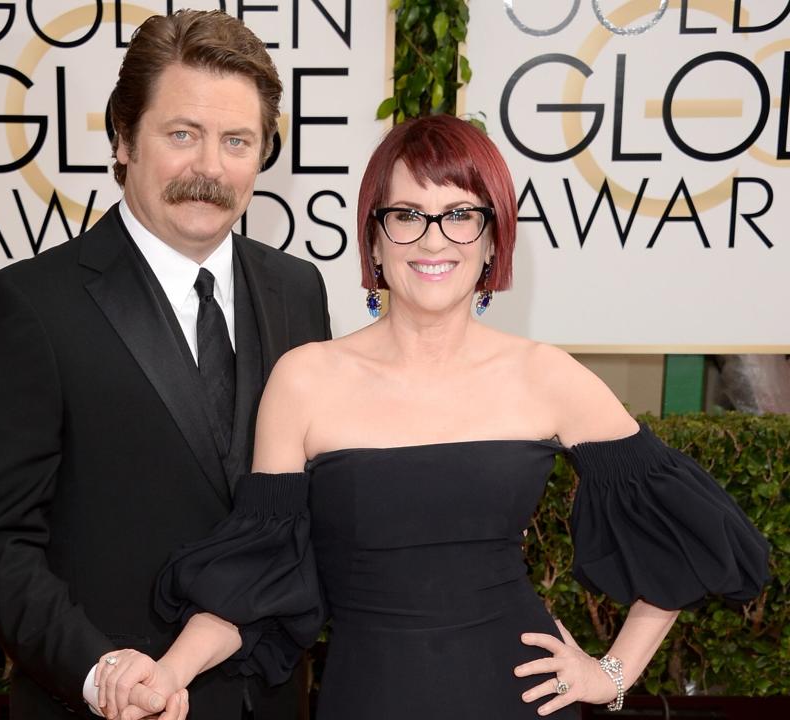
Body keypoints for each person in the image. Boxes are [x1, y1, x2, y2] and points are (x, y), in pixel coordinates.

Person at [100, 114, 770, 719]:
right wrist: (169, 672)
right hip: (369, 698)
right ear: (376, 239)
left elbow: (697, 535)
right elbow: (253, 579)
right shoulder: (305, 380)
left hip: (520, 699)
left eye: (460, 215)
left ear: (490, 241)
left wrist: (612, 673)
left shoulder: (545, 375)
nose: (433, 239)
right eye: (408, 214)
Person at [0, 10, 330, 720]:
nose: (210, 168)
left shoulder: (297, 290)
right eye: (182, 134)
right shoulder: (28, 306)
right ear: (124, 139)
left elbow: (308, 509)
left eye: (237, 141)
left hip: (270, 700)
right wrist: (98, 672)